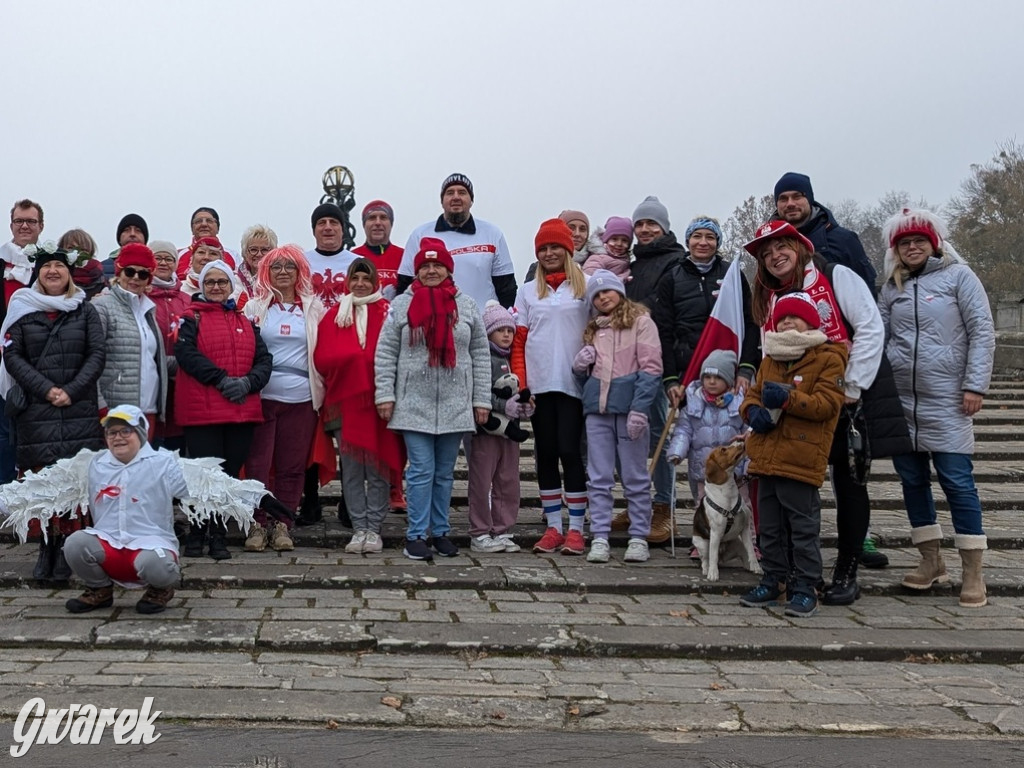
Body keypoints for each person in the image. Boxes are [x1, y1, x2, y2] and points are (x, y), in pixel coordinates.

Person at [746, 220, 911, 606]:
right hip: (793, 403)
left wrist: (851, 386)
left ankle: (846, 569)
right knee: (791, 482)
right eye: (767, 254)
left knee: (849, 481)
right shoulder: (771, 295)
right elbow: (769, 350)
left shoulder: (836, 275)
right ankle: (787, 571)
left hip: (847, 391)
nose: (774, 257)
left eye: (781, 247)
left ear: (799, 246)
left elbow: (870, 327)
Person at [0, 405, 280, 615]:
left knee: (157, 566)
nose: (118, 437)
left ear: (141, 433)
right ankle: (99, 590)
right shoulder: (93, 464)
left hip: (150, 549)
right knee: (75, 544)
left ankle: (159, 590)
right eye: (112, 432)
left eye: (125, 431)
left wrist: (259, 498)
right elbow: (42, 487)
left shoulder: (164, 464)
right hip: (108, 546)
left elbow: (208, 484)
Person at [879, 208, 995, 608]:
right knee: (912, 481)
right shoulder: (891, 287)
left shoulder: (959, 277)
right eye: (904, 243)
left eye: (918, 241)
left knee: (957, 482)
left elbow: (982, 331)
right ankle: (931, 560)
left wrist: (975, 384)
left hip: (948, 399)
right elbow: (879, 335)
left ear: (934, 243)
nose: (912, 248)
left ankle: (973, 571)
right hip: (902, 401)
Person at [374, 237, 491, 561]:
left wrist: (481, 400)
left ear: (448, 269)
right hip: (414, 402)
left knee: (444, 472)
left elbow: (480, 353)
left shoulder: (466, 305)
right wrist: (385, 394)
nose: (431, 270)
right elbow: (386, 352)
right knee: (421, 470)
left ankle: (440, 532)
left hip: (455, 402)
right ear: (416, 270)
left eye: (437, 265)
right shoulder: (401, 304)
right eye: (425, 266)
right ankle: (415, 535)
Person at [739, 292, 849, 617]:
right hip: (766, 457)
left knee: (803, 530)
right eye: (782, 317)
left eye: (795, 317)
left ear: (810, 322)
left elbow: (828, 405)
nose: (787, 322)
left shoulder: (829, 357)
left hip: (800, 459)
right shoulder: (771, 357)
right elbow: (752, 397)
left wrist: (788, 399)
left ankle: (806, 586)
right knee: (769, 529)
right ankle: (775, 579)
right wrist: (751, 412)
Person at [0, 240, 105, 580]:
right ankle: (46, 547)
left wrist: (70, 391)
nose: (53, 271)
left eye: (59, 266)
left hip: (77, 408)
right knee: (44, 480)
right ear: (38, 273)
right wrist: (46, 389)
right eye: (46, 267)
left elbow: (96, 354)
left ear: (69, 272)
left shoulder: (84, 309)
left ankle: (68, 550)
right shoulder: (22, 307)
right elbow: (13, 355)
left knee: (73, 483)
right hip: (37, 409)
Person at [174, 260, 272, 560]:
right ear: (202, 286)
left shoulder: (245, 320)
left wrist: (248, 383)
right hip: (203, 412)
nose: (216, 287)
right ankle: (196, 532)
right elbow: (186, 353)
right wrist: (219, 378)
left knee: (227, 476)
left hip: (240, 410)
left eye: (222, 282)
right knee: (202, 477)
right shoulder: (190, 318)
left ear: (231, 285)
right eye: (210, 282)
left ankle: (217, 535)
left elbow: (264, 359)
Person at [315, 258, 406, 554]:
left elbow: (397, 354)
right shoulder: (333, 315)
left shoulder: (387, 312)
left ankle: (375, 526)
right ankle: (359, 527)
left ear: (375, 281)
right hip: (345, 404)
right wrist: (352, 360)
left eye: (366, 279)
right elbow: (323, 358)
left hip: (380, 404)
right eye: (356, 279)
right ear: (348, 281)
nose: (361, 284)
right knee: (352, 470)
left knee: (378, 467)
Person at [511, 219, 590, 555]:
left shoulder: (586, 286)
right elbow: (518, 342)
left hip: (573, 383)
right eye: (543, 248)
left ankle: (577, 528)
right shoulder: (528, 290)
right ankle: (553, 527)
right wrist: (522, 384)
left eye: (555, 247)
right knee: (545, 455)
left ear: (568, 249)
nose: (549, 253)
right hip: (540, 385)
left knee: (570, 452)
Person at [572, 270, 662, 564]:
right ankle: (599, 535)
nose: (603, 298)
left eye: (607, 291)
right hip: (597, 413)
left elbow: (651, 368)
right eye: (596, 295)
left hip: (629, 411)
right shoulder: (594, 329)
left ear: (620, 292)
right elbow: (588, 379)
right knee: (598, 477)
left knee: (635, 476)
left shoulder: (641, 323)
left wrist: (639, 408)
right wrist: (579, 368)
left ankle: (638, 535)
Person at [243, 245, 325, 553]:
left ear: (300, 271)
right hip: (263, 395)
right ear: (266, 272)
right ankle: (256, 522)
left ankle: (282, 525)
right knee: (258, 465)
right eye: (275, 267)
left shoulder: (314, 308)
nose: (282, 272)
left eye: (289, 267)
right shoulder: (254, 308)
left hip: (302, 398)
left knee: (291, 466)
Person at [624, 196, 684, 544]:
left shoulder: (675, 262)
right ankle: (638, 504)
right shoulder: (634, 263)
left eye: (651, 224)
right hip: (630, 358)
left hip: (659, 359)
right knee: (630, 431)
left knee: (660, 429)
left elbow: (663, 308)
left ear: (664, 228)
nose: (645, 230)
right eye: (640, 224)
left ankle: (664, 506)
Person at [467, 300, 534, 553]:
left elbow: (521, 391)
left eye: (509, 330)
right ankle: (480, 531)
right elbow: (478, 389)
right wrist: (499, 405)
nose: (506, 335)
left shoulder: (516, 358)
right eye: (500, 330)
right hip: (486, 429)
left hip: (511, 432)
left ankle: (503, 528)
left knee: (508, 480)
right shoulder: (483, 357)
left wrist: (526, 407)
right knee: (482, 480)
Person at [397, 173, 517, 310]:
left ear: (471, 200)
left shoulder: (492, 234)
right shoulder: (420, 234)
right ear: (442, 201)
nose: (456, 197)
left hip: (485, 324)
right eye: (449, 193)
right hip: (435, 323)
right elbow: (404, 286)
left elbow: (507, 288)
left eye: (462, 192)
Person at [92, 243, 168, 434]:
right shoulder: (102, 307)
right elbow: (91, 360)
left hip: (148, 409)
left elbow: (152, 358)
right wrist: (101, 405)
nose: (135, 278)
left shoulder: (148, 310)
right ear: (119, 273)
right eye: (130, 271)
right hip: (116, 410)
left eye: (143, 274)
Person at [666, 349, 749, 506]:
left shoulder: (740, 405)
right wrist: (677, 451)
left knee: (742, 507)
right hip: (705, 472)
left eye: (718, 377)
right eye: (707, 377)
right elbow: (683, 431)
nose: (711, 381)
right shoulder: (693, 404)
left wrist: (748, 466)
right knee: (705, 508)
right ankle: (704, 531)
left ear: (729, 380)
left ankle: (747, 531)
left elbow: (749, 434)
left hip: (734, 474)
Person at [1, 199, 46, 484]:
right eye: (20, 221)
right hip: (1, 364)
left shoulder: (50, 264)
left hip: (39, 362)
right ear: (11, 225)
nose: (25, 226)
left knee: (35, 431)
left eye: (31, 221)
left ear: (41, 226)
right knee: (3, 432)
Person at [147, 240, 191, 449]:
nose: (163, 263)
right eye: (158, 257)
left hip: (181, 381)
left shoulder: (186, 299)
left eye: (169, 258)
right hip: (151, 380)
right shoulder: (141, 296)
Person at [304, 203, 358, 308]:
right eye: (322, 223)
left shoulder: (358, 263)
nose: (328, 227)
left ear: (343, 230)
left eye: (333, 222)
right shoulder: (301, 261)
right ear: (314, 231)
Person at [525, 209, 604, 282]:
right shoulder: (539, 267)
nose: (577, 234)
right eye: (571, 228)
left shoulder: (601, 262)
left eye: (582, 229)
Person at [353, 200, 404, 297]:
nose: (378, 222)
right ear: (364, 225)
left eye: (383, 217)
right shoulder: (352, 257)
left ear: (391, 224)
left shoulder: (405, 257)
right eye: (372, 218)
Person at [175, 207, 237, 279]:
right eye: (198, 221)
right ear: (192, 229)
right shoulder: (178, 255)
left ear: (218, 229)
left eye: (209, 221)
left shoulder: (233, 255)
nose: (204, 224)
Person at [100, 213, 149, 283]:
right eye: (127, 230)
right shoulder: (101, 268)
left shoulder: (156, 269)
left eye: (138, 230)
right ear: (119, 238)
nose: (132, 234)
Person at [58, 229, 106, 299]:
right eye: (70, 248)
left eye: (83, 249)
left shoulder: (100, 278)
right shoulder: (54, 276)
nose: (77, 252)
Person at [236, 224, 278, 297]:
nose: (259, 254)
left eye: (264, 250)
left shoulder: (279, 278)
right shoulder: (235, 280)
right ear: (245, 252)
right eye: (253, 249)